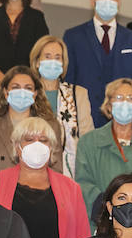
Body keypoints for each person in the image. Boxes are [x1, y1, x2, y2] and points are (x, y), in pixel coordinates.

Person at [74, 78, 132, 214]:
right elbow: (83, 184)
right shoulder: (88, 142)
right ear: (108, 105)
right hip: (101, 223)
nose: (125, 102)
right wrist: (106, 207)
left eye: (131, 98)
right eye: (119, 97)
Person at [63, 0, 132, 128]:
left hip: (124, 120)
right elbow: (68, 83)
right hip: (85, 118)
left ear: (118, 1)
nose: (107, 0)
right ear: (92, 0)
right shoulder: (73, 37)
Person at [0, 64, 64, 172]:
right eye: (16, 87)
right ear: (6, 92)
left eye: (28, 88)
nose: (22, 93)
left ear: (35, 93)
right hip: (0, 187)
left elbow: (56, 171)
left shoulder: (51, 127)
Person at [30, 35, 93, 180]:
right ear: (37, 61)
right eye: (47, 56)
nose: (53, 61)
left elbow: (87, 139)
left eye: (57, 57)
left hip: (71, 173)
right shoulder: (27, 94)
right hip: (33, 169)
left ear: (63, 63)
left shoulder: (78, 94)